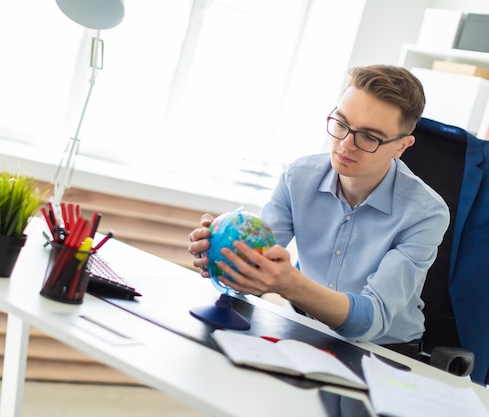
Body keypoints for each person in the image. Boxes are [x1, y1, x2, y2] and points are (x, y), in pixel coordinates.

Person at [188, 65, 450, 356]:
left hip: (387, 353)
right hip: (309, 334)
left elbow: (370, 320)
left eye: (369, 137)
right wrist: (224, 257)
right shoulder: (298, 177)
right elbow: (256, 272)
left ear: (402, 146)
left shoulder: (426, 213)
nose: (346, 144)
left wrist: (289, 284)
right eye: (341, 123)